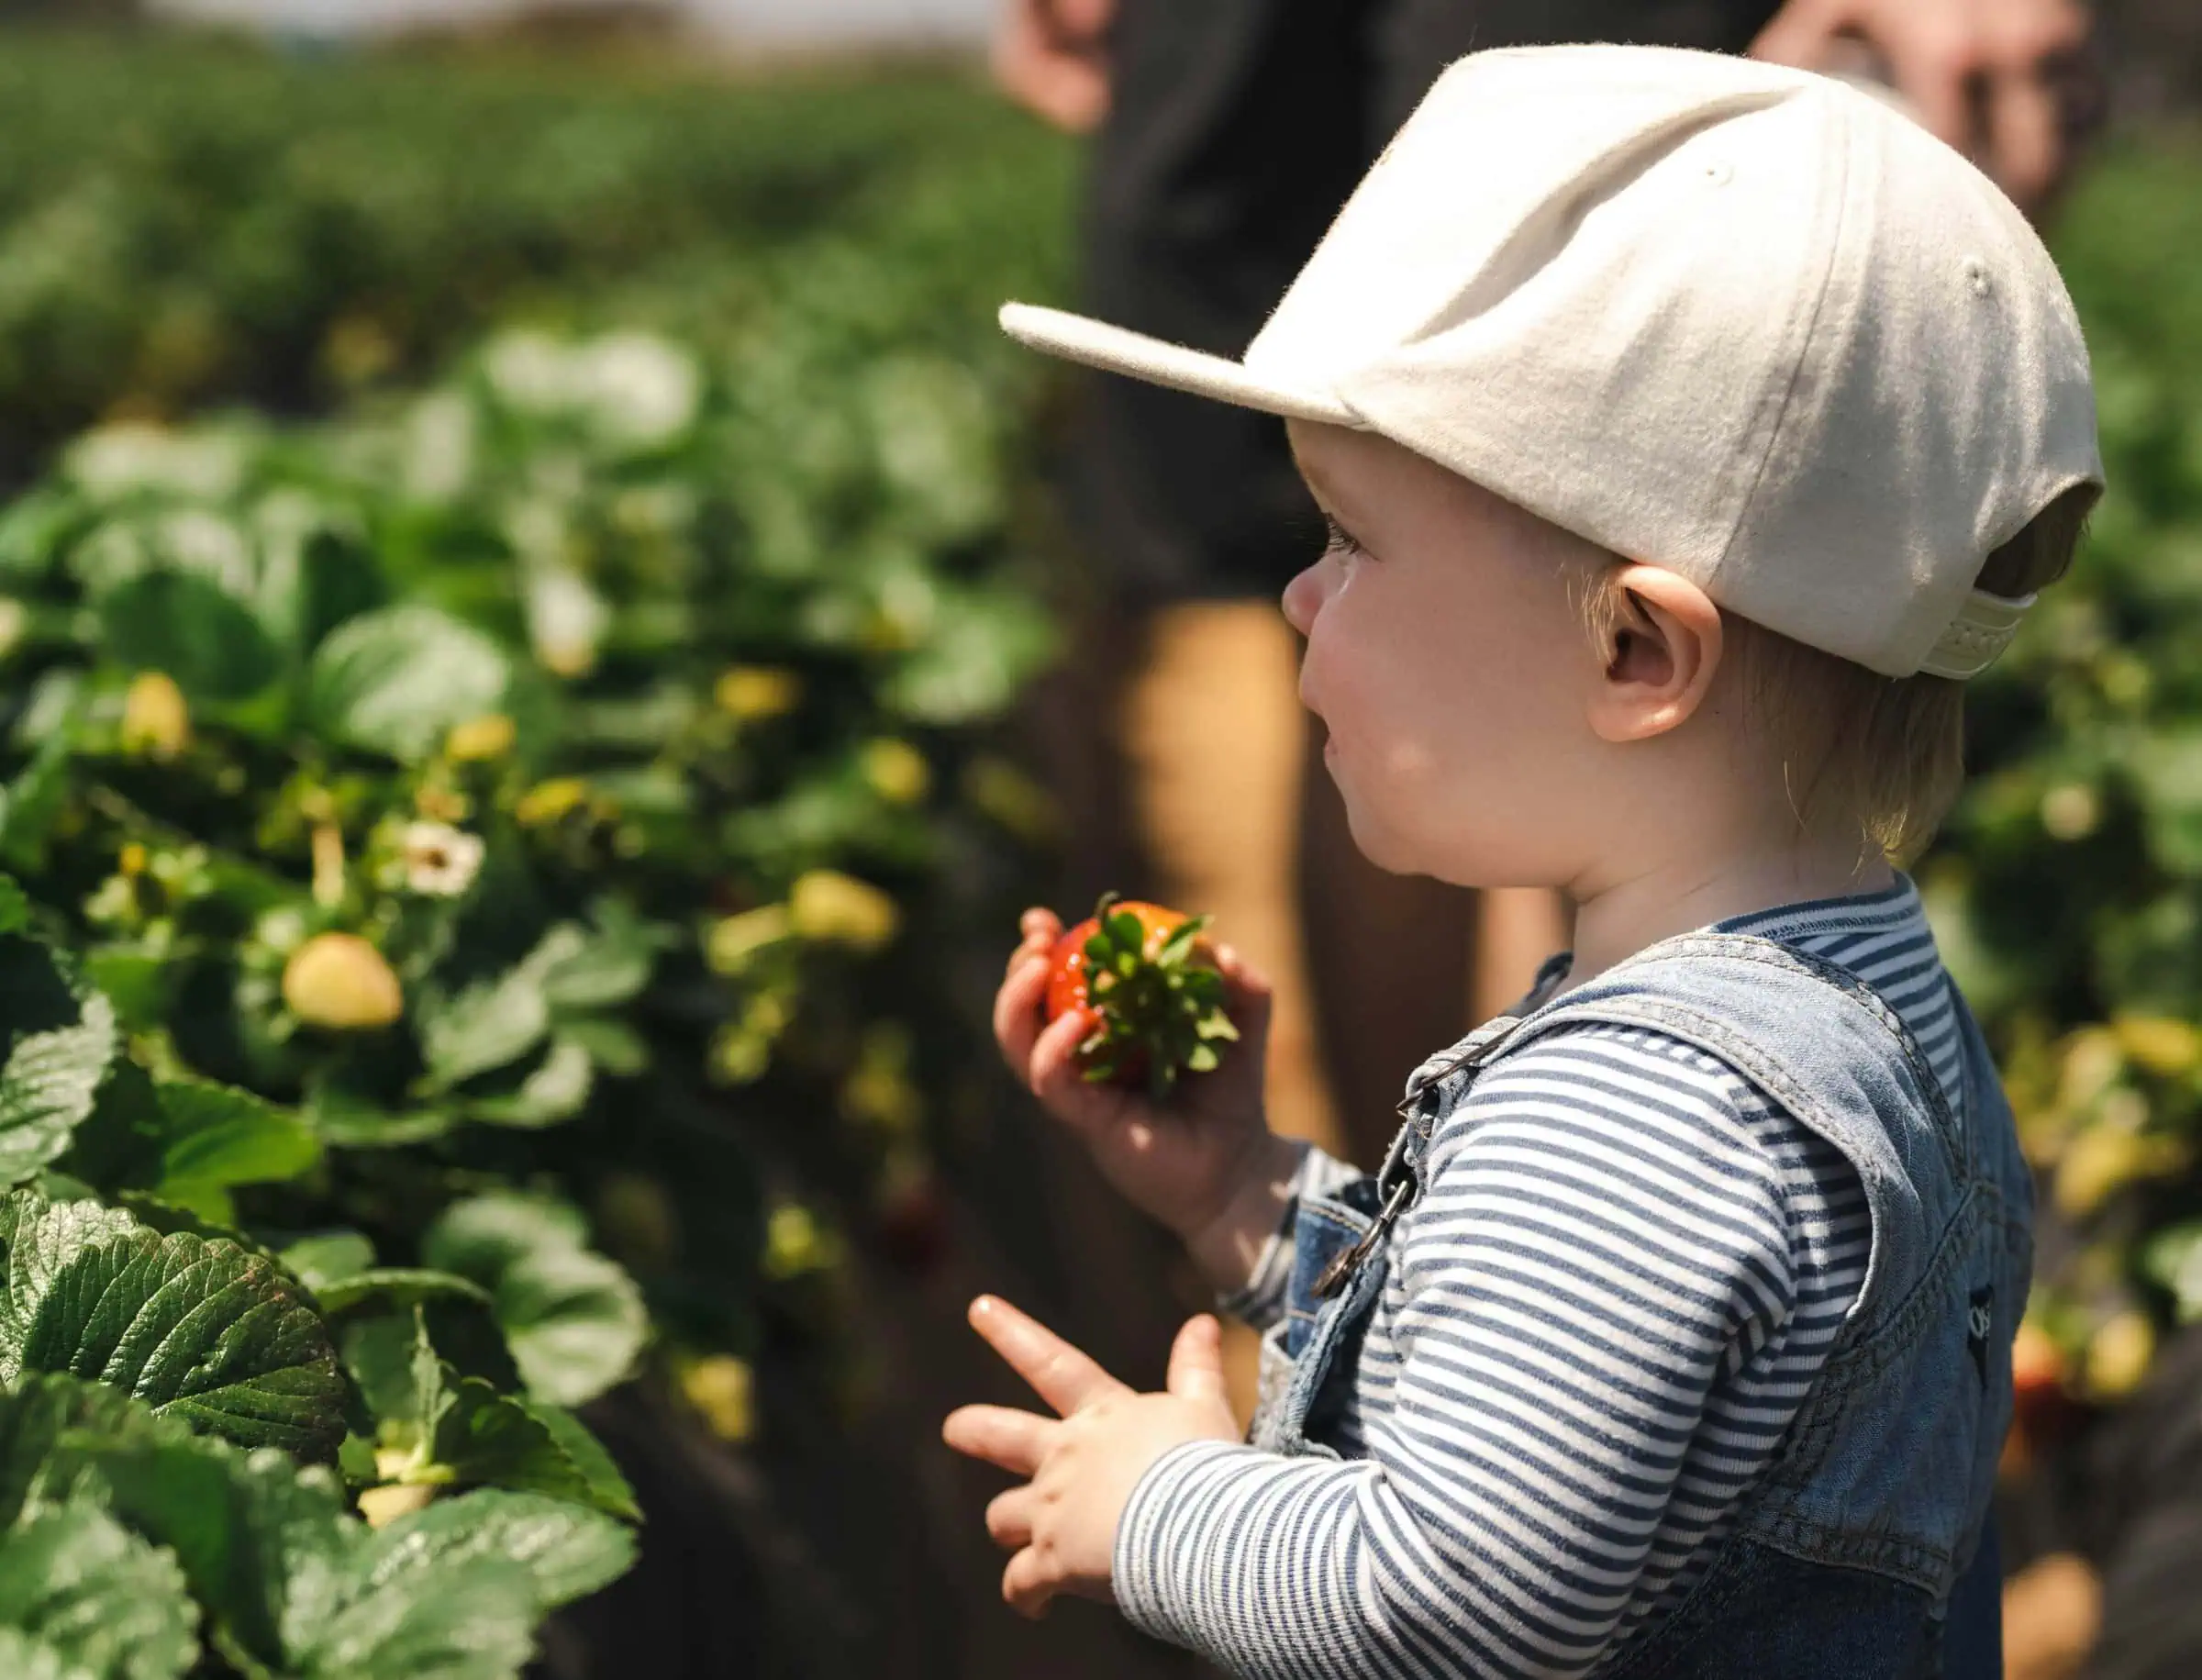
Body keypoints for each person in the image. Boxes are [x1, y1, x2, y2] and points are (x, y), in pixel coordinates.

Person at [948, 40, 2103, 1678]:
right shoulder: (1871, 997)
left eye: (1353, 538)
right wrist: (1251, 1195)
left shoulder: (1636, 1104)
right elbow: (1580, 1401)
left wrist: (1156, 1505)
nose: (1299, 595)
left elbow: (1453, 1593)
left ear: (1638, 650)